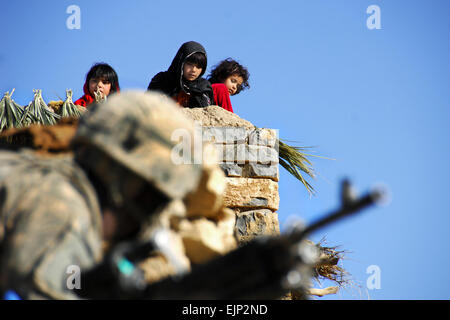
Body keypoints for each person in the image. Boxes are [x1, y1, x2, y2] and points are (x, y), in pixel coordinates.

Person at [0, 91, 204, 299]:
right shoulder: (63, 210)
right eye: (150, 199)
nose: (144, 220)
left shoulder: (38, 179)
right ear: (117, 174)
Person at [147, 41, 214, 108]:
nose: (194, 70)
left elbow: (205, 114)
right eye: (189, 64)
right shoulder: (162, 80)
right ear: (181, 62)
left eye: (199, 67)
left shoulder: (203, 88)